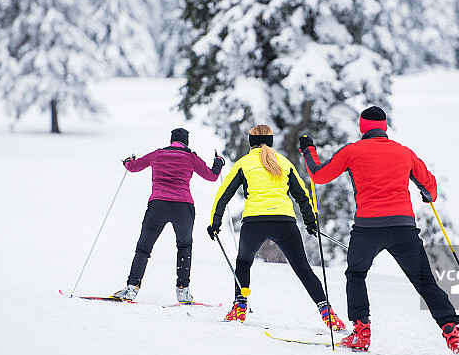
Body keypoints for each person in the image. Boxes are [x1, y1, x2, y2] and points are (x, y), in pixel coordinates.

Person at [299, 106, 459, 355]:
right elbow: (431, 188)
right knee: (425, 282)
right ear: (384, 127)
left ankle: (361, 332)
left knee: (356, 274)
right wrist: (427, 195)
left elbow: (319, 175)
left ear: (362, 128)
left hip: (367, 228)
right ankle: (452, 334)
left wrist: (308, 149)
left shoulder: (352, 151)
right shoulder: (404, 153)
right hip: (403, 227)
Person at [207, 125, 346, 330]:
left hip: (254, 222)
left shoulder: (244, 164)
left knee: (243, 262)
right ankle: (328, 313)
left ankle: (239, 307)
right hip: (284, 222)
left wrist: (215, 222)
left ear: (250, 142)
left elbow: (223, 194)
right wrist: (310, 222)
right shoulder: (284, 162)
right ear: (271, 141)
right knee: (304, 270)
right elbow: (302, 195)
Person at [113, 128, 225, 304]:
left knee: (144, 248)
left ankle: (131, 288)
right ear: (186, 142)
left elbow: (133, 167)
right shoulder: (191, 157)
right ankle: (183, 291)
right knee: (184, 246)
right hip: (184, 207)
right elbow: (212, 176)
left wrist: (128, 161)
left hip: (158, 205)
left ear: (171, 140)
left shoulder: (157, 154)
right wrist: (219, 162)